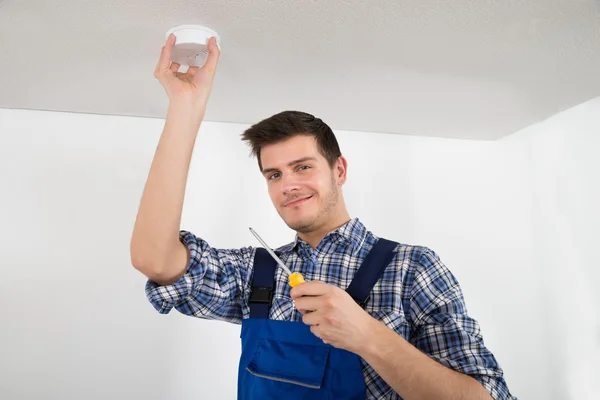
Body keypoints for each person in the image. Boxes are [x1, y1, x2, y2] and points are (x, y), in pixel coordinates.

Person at [130, 33, 516, 400]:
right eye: (274, 174)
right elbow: (154, 258)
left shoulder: (412, 269)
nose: (288, 185)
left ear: (340, 171)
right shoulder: (256, 274)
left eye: (302, 167)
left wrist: (367, 335)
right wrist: (185, 106)